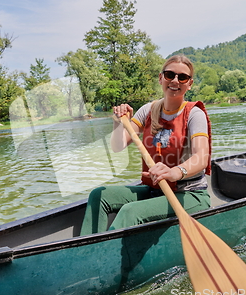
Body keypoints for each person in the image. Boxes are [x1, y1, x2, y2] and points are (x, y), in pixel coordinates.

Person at [80, 55, 212, 235]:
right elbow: (118, 146)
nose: (175, 80)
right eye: (169, 75)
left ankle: (103, 256)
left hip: (189, 194)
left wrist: (174, 172)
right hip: (156, 190)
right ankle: (87, 249)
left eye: (182, 77)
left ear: (189, 84)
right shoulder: (148, 110)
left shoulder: (195, 114)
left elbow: (201, 158)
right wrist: (119, 122)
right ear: (160, 78)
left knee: (130, 211)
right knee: (99, 195)